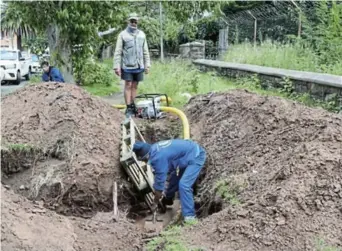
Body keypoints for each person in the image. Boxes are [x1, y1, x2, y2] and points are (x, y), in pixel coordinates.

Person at [133, 139, 206, 223]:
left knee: (184, 185)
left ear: (146, 156)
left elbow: (159, 186)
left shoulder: (157, 158)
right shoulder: (155, 148)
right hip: (185, 156)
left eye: (144, 160)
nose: (145, 162)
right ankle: (167, 200)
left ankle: (190, 217)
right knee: (173, 180)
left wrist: (155, 203)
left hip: (196, 156)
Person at [113, 13, 151, 118]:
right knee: (128, 85)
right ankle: (128, 107)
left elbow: (145, 51)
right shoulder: (123, 35)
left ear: (137, 22)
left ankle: (134, 106)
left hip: (139, 66)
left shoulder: (142, 35)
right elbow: (118, 51)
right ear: (128, 22)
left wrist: (147, 65)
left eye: (135, 21)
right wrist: (116, 66)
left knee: (135, 85)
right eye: (132, 21)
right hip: (127, 66)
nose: (134, 23)